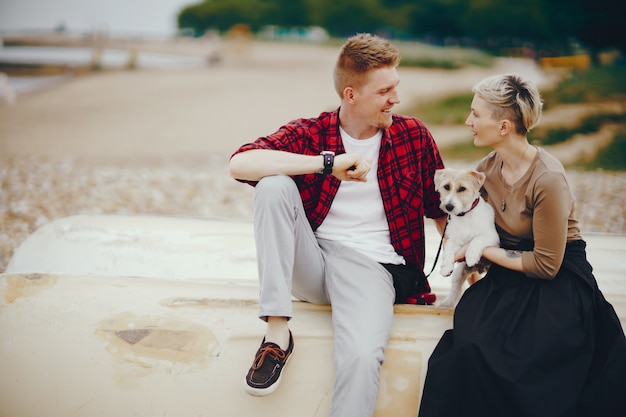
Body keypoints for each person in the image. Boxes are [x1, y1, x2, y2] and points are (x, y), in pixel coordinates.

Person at [229, 33, 447, 417]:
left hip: (372, 268)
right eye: (385, 91)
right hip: (312, 262)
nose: (395, 98)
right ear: (351, 95)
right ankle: (277, 333)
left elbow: (442, 210)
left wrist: (477, 273)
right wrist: (327, 164)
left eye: (395, 87)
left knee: (362, 357)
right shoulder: (314, 133)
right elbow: (241, 164)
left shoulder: (412, 136)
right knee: (274, 187)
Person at [418, 73, 626, 417]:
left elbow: (547, 265)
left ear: (503, 126)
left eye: (476, 115)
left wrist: (483, 252)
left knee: (524, 360)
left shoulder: (548, 178)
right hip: (508, 276)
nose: (468, 122)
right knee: (465, 347)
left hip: (559, 284)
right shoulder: (486, 169)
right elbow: (467, 219)